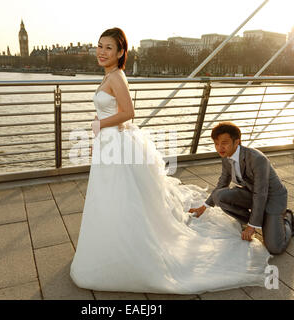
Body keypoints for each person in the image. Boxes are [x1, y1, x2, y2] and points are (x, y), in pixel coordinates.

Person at [70, 28, 271, 294]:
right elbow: (121, 117)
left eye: (109, 48)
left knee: (117, 198)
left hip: (114, 142)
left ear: (120, 53)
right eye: (99, 46)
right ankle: (111, 246)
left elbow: (128, 112)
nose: (102, 51)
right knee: (111, 198)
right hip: (111, 142)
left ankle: (125, 251)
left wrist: (99, 124)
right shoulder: (110, 75)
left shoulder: (116, 76)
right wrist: (102, 135)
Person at [189, 122, 294, 255]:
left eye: (224, 143)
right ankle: (261, 220)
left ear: (237, 142)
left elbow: (261, 192)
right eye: (216, 143)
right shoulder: (226, 157)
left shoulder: (257, 158)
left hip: (272, 197)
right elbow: (221, 184)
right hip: (252, 193)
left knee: (274, 248)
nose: (219, 148)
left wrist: (252, 226)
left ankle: (287, 218)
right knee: (219, 195)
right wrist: (204, 207)